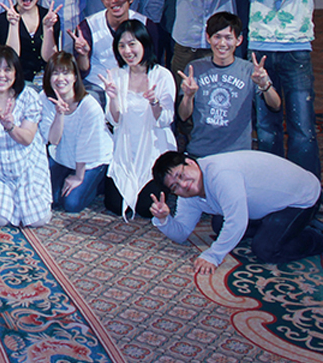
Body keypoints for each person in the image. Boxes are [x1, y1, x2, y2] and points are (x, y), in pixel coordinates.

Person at [233, 0, 323, 177]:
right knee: (266, 125)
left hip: (296, 49)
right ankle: (272, 184)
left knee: (302, 124)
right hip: (260, 50)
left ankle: (306, 188)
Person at [151, 150, 323, 273]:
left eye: (181, 175)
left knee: (265, 249)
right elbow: (181, 233)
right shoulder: (188, 195)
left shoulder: (220, 174)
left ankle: (317, 237)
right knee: (219, 224)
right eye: (175, 186)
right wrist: (164, 219)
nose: (183, 185)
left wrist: (213, 255)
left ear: (190, 162)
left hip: (301, 198)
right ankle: (288, 228)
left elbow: (237, 221)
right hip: (269, 204)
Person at [0, 46, 51, 227]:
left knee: (39, 220)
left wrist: (10, 126)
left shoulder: (29, 96)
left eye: (7, 70)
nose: (1, 75)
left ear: (16, 73)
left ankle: (24, 198)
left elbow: (27, 139)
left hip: (27, 168)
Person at [100, 20, 176, 219]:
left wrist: (154, 102)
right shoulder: (116, 75)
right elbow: (114, 121)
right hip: (125, 148)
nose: (127, 51)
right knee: (114, 204)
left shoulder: (162, 75)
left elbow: (166, 119)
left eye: (132, 44)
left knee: (146, 208)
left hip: (153, 148)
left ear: (144, 43)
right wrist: (113, 98)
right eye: (122, 46)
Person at [178, 12, 279, 159]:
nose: (222, 44)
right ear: (208, 38)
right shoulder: (195, 69)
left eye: (228, 38)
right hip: (200, 151)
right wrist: (188, 96)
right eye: (217, 37)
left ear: (239, 40)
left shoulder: (250, 70)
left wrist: (265, 85)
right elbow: (183, 115)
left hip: (238, 154)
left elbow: (275, 105)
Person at [44, 53, 111, 213]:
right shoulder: (45, 99)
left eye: (66, 73)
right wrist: (59, 114)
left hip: (92, 159)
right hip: (62, 155)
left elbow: (86, 147)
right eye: (55, 73)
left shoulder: (89, 106)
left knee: (71, 204)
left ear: (75, 77)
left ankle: (100, 182)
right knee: (48, 198)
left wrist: (78, 177)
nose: (60, 78)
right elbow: (53, 140)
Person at [0, 0, 58, 84]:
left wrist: (48, 28)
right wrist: (13, 25)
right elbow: (10, 58)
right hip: (19, 80)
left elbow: (50, 58)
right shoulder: (3, 20)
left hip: (48, 79)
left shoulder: (50, 17)